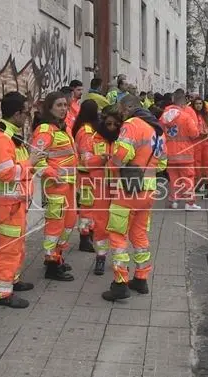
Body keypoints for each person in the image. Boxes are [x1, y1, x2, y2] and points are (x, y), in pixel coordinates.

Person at [103, 94, 167, 301]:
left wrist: (111, 164)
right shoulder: (158, 130)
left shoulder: (132, 124)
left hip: (127, 189)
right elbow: (163, 164)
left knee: (117, 234)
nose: (121, 115)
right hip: (148, 190)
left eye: (122, 110)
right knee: (139, 235)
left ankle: (120, 284)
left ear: (129, 107)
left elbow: (121, 155)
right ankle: (141, 278)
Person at [0, 91, 44, 308]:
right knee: (9, 249)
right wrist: (30, 161)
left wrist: (35, 163)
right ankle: (3, 294)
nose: (27, 118)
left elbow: (20, 169)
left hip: (16, 204)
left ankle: (13, 280)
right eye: (26, 113)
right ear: (17, 113)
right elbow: (6, 173)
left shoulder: (11, 137)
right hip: (8, 206)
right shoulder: (1, 138)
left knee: (17, 246)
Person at [32, 92, 78, 281]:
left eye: (65, 105)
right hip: (55, 187)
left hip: (69, 185)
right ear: (50, 108)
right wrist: (53, 174)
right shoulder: (45, 130)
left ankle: (57, 257)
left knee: (68, 223)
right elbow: (36, 161)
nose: (63, 109)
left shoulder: (63, 128)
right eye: (59, 105)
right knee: (55, 226)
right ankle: (51, 264)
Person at [79, 105, 122, 275]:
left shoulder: (124, 139)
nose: (111, 127)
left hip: (119, 188)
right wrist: (100, 159)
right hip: (101, 188)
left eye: (115, 124)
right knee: (101, 225)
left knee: (119, 225)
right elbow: (86, 161)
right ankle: (101, 257)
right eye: (108, 124)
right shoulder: (93, 139)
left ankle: (119, 261)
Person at [160, 89, 201, 210]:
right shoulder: (186, 117)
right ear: (183, 103)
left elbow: (160, 132)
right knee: (188, 178)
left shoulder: (163, 117)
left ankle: (174, 201)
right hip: (185, 154)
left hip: (170, 153)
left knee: (173, 179)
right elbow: (194, 134)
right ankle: (189, 203)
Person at [73, 99, 100, 253]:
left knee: (89, 207)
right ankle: (85, 237)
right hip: (86, 175)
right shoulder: (87, 132)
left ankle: (88, 233)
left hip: (87, 175)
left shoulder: (83, 128)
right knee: (87, 208)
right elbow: (86, 156)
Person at [191, 96, 208, 197]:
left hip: (205, 141)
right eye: (196, 103)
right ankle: (197, 185)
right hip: (196, 141)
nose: (198, 105)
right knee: (197, 164)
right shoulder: (192, 115)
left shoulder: (207, 115)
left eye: (200, 103)